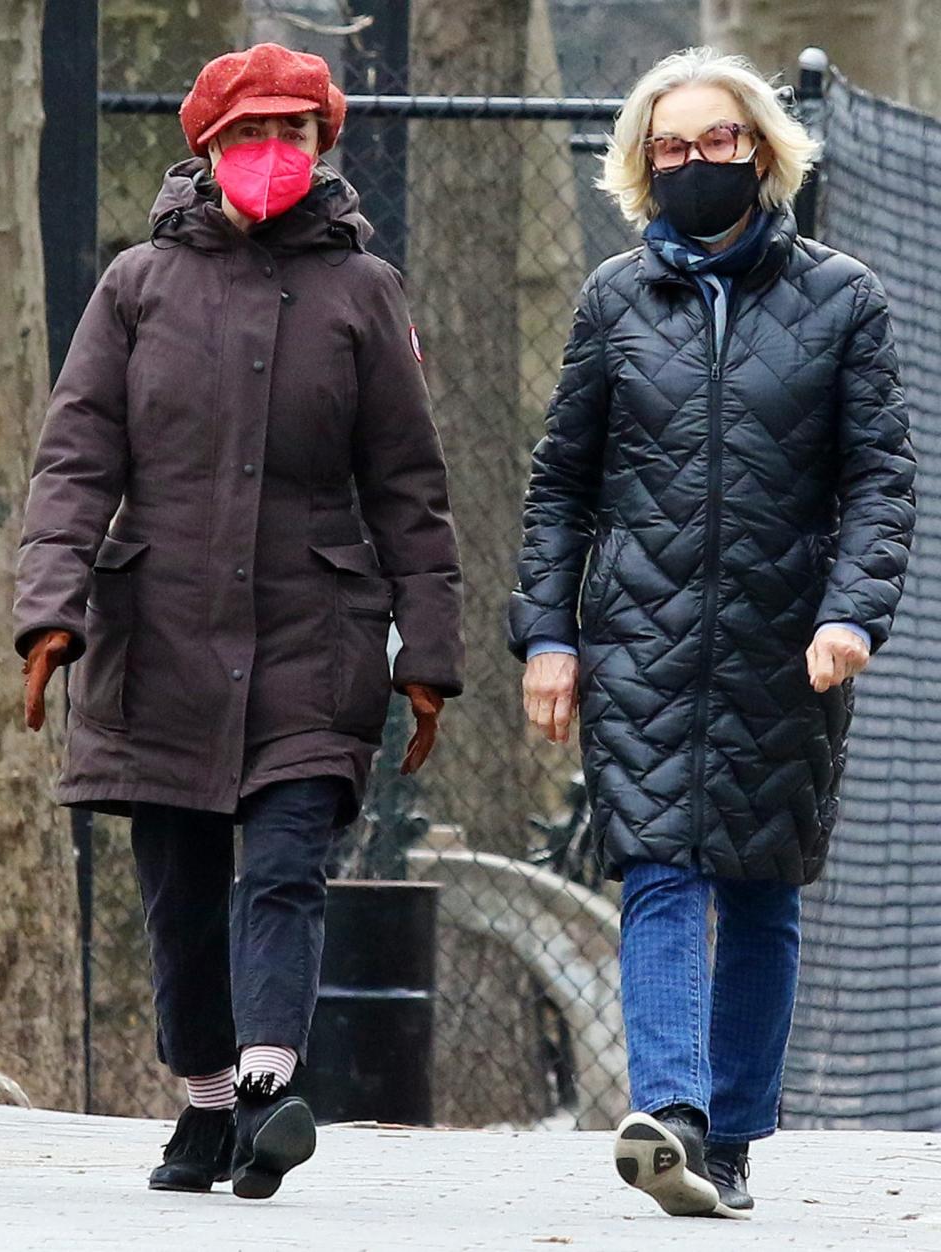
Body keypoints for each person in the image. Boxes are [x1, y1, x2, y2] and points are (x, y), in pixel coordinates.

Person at [14, 43, 463, 1200]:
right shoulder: (135, 287)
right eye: (249, 135)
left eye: (295, 134)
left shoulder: (367, 291)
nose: (273, 156)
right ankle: (206, 1103)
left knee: (283, 865)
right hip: (155, 631)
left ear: (325, 145)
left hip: (317, 633)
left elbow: (409, 487)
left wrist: (432, 654)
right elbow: (75, 461)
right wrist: (48, 611)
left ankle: (268, 1087)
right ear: (205, 150)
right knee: (174, 883)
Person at [509, 46, 914, 1219]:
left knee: (762, 884)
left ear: (763, 151)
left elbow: (882, 481)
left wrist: (850, 613)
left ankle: (728, 1139)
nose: (694, 163)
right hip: (637, 640)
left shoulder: (845, 300)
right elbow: (560, 489)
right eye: (670, 147)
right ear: (644, 165)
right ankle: (674, 1111)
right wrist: (548, 636)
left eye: (716, 142)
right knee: (659, 870)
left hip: (785, 647)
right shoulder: (612, 302)